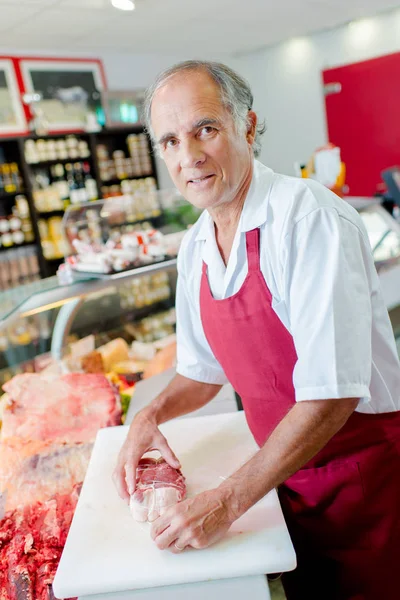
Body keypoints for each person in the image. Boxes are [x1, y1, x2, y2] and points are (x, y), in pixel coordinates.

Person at [113, 60, 400, 600]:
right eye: (170, 141)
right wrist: (149, 416)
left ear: (247, 126)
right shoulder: (196, 246)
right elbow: (203, 374)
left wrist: (228, 499)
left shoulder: (307, 217)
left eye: (206, 129)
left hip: (361, 480)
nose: (189, 156)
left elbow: (331, 394)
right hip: (282, 477)